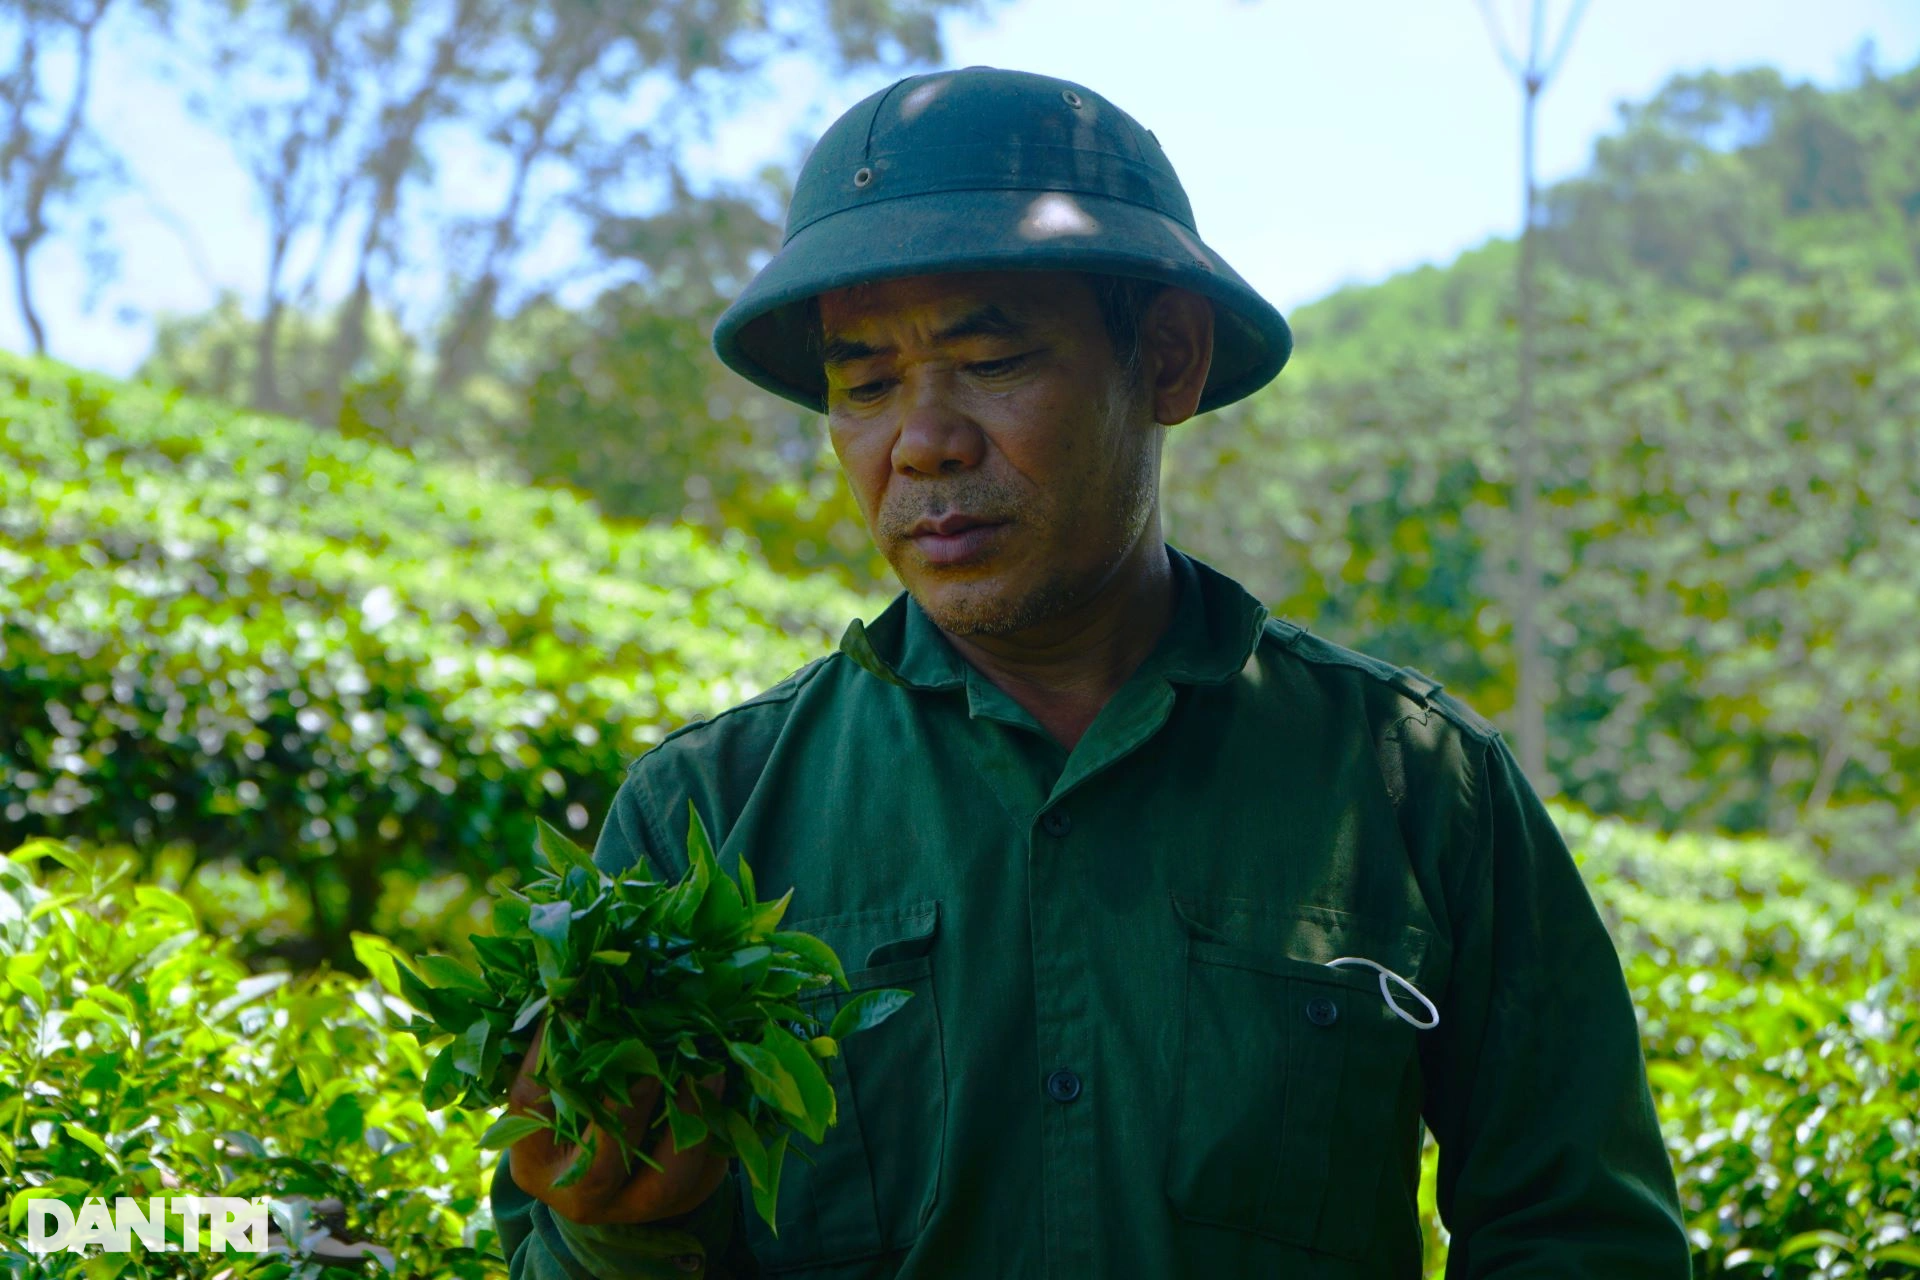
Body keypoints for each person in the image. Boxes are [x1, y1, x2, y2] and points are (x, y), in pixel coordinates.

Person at [490, 65, 1691, 1279]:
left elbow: (1583, 1232)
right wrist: (616, 1223)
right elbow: (553, 1243)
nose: (922, 440)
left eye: (993, 361)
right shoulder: (709, 814)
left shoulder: (1420, 785)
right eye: (863, 384)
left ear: (1167, 359)